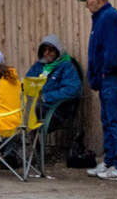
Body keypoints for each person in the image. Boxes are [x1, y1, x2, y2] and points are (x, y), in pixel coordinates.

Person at [82, 0, 117, 180]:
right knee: (107, 120)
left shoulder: (108, 18)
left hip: (111, 77)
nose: (86, 4)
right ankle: (110, 161)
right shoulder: (101, 18)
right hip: (106, 78)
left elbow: (112, 50)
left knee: (114, 120)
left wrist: (105, 72)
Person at [27, 33, 84, 163]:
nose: (47, 53)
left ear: (58, 51)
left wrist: (47, 97)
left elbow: (73, 90)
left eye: (51, 50)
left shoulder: (66, 67)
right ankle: (17, 151)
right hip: (36, 105)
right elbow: (28, 81)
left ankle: (32, 154)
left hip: (56, 110)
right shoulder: (38, 66)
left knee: (31, 110)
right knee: (19, 107)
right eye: (44, 50)